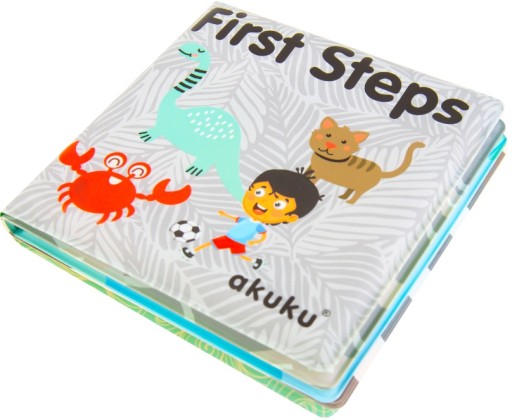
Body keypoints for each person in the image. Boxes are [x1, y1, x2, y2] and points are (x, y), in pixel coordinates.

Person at [182, 168, 322, 269]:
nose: (263, 202)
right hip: (233, 238)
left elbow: (263, 234)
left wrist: (257, 241)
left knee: (214, 244)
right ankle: (255, 262)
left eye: (278, 204)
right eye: (259, 192)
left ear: (291, 218)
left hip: (235, 239)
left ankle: (192, 252)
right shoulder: (248, 220)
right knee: (231, 251)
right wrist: (224, 214)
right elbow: (236, 218)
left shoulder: (257, 225)